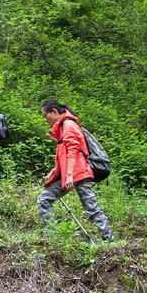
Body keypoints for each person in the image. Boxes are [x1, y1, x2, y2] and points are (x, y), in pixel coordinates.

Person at [37, 99, 114, 241]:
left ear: (53, 112)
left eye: (45, 115)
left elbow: (73, 149)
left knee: (91, 208)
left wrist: (70, 174)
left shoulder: (68, 124)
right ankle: (52, 237)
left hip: (79, 173)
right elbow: (66, 154)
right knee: (44, 199)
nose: (45, 119)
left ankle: (109, 240)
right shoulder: (63, 126)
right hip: (71, 173)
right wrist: (54, 171)